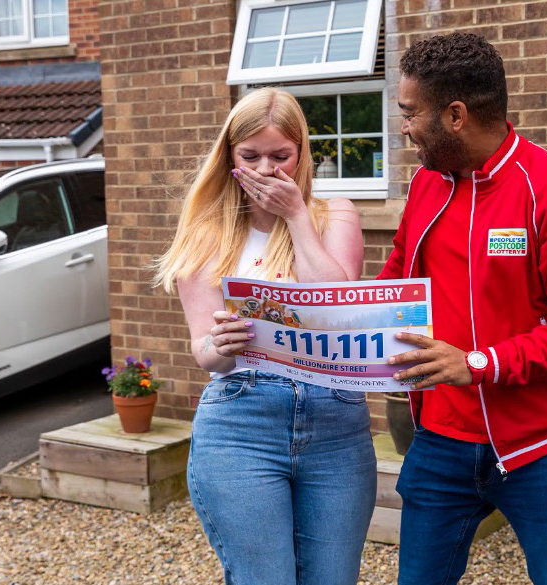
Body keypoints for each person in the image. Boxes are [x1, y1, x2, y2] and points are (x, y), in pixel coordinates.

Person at [379, 34, 547, 585]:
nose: (405, 127)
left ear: (455, 115)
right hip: (439, 439)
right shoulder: (425, 184)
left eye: (411, 113)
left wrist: (477, 363)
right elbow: (398, 279)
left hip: (539, 448)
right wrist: (330, 327)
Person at [154, 88, 376, 585]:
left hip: (334, 421)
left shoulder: (333, 214)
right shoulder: (206, 231)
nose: (266, 169)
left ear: (302, 154)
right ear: (229, 155)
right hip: (241, 421)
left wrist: (297, 215)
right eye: (250, 156)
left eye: (281, 156)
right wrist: (220, 344)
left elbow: (339, 308)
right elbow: (204, 354)